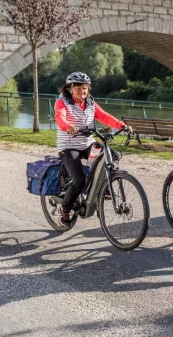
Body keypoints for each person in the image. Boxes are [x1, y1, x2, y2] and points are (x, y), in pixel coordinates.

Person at [54, 72, 131, 226]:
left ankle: (103, 185)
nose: (82, 91)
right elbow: (60, 117)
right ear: (69, 88)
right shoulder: (62, 102)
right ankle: (65, 210)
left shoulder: (90, 103)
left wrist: (121, 125)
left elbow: (104, 116)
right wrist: (68, 126)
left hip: (87, 143)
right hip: (69, 146)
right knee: (79, 181)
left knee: (112, 155)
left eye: (85, 88)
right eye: (78, 88)